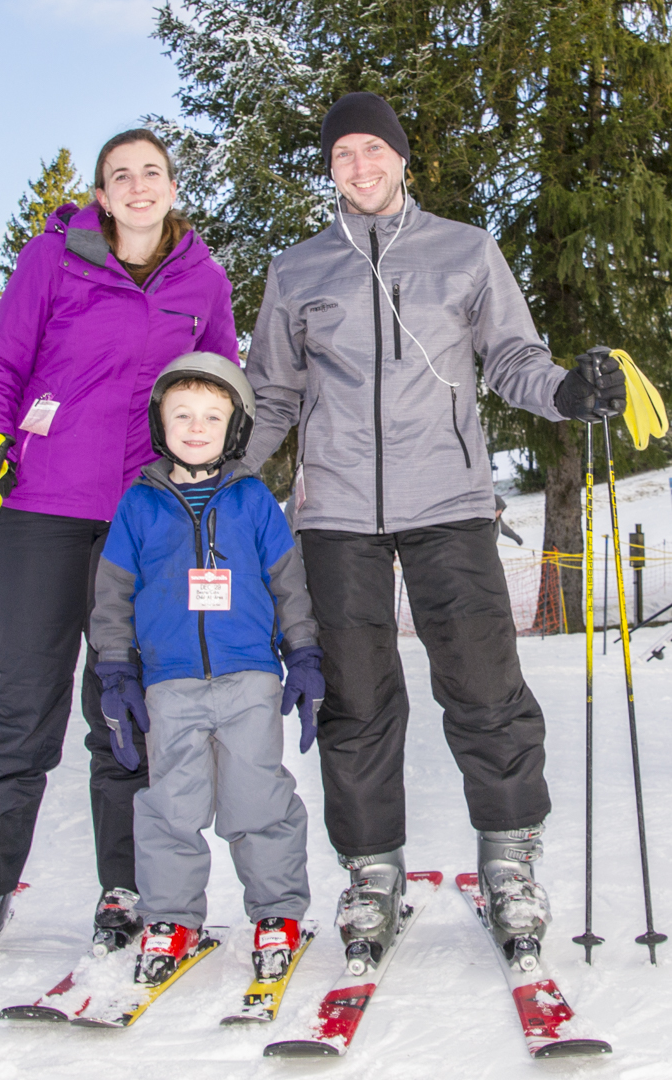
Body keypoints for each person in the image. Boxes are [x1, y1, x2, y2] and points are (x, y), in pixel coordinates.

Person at [244, 92, 626, 969]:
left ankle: (509, 858)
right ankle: (371, 871)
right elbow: (272, 394)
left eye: (373, 149)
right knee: (354, 703)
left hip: (449, 504)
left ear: (402, 159)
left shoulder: (464, 249)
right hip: (335, 514)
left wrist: (566, 390)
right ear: (329, 169)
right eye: (343, 155)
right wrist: (220, 470)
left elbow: (513, 359)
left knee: (486, 690)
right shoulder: (297, 270)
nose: (359, 167)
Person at [0, 129, 238, 962]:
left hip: (146, 519)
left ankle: (129, 882)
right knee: (22, 698)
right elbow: (1, 362)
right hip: (45, 507)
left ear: (171, 188)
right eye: (121, 176)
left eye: (152, 172)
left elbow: (218, 389)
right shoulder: (53, 260)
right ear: (102, 196)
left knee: (127, 707)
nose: (138, 187)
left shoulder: (202, 280)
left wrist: (213, 485)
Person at [90, 353, 324, 984]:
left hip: (249, 678)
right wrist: (116, 672)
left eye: (213, 416)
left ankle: (277, 911)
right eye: (182, 414)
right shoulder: (139, 506)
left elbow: (288, 586)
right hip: (170, 684)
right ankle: (171, 917)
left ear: (236, 428)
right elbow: (112, 595)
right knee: (170, 803)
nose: (196, 427)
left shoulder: (252, 501)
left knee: (258, 798)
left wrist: (302, 653)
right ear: (159, 422)